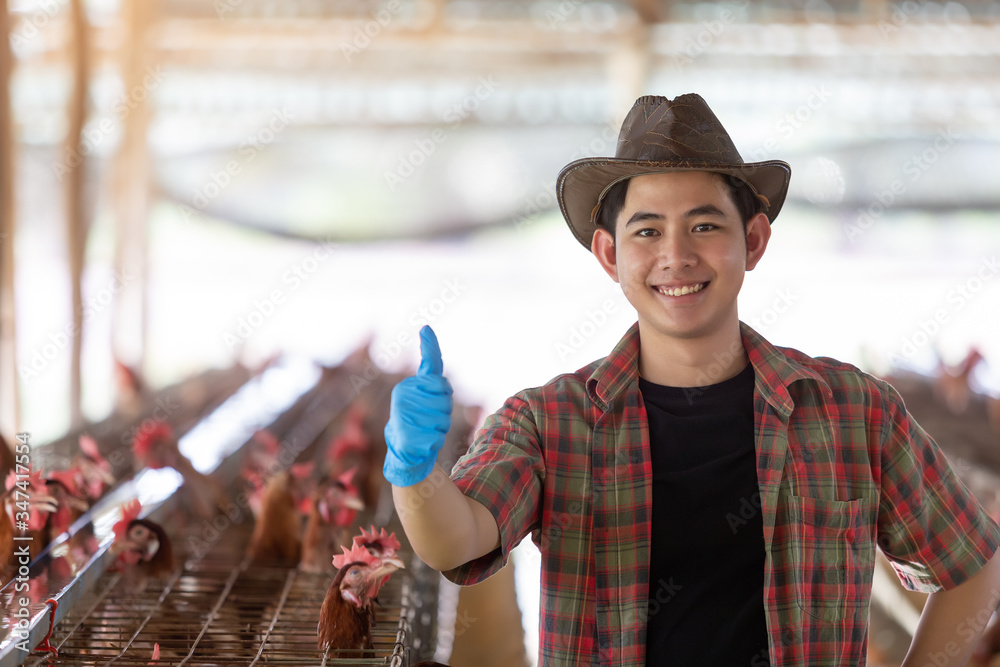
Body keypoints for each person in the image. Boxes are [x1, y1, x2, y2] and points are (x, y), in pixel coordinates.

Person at [383, 93, 1000, 666]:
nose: (675, 255)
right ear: (609, 255)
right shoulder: (549, 423)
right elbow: (456, 542)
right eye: (647, 231)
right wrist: (416, 472)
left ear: (753, 240)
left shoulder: (853, 410)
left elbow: (974, 565)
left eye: (705, 226)